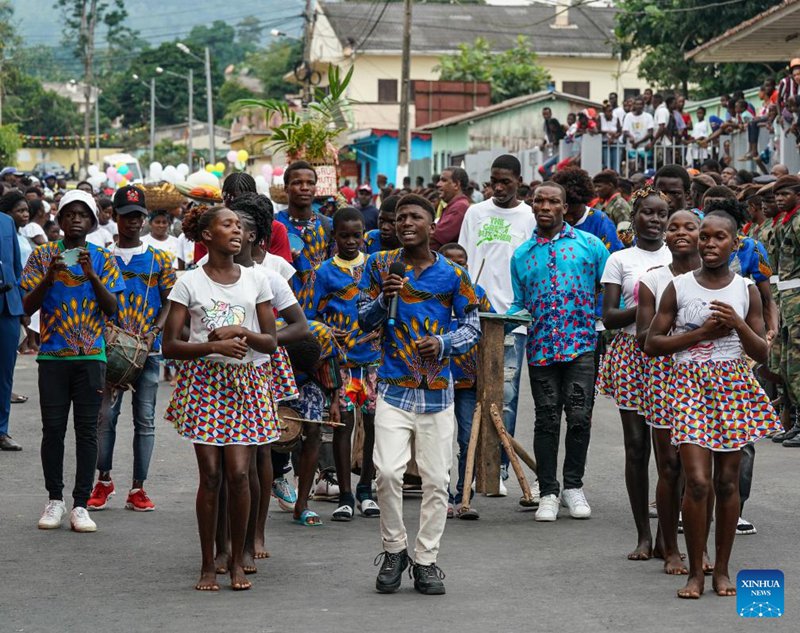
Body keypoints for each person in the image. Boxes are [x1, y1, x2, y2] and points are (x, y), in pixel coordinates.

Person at [645, 210, 781, 599]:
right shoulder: (679, 287)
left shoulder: (745, 289)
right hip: (688, 386)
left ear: (734, 243)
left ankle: (721, 570)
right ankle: (695, 575)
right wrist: (702, 332)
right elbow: (653, 344)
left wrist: (737, 324)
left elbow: (762, 352)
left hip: (732, 386)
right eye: (704, 236)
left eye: (718, 237)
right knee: (699, 482)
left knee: (727, 481)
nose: (708, 243)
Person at [359, 193, 480, 596]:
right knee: (389, 473)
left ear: (433, 225)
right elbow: (362, 318)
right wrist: (384, 298)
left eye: (415, 217)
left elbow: (473, 326)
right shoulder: (380, 265)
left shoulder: (453, 274)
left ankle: (426, 560)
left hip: (438, 394)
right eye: (400, 217)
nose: (406, 223)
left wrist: (444, 344)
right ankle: (395, 550)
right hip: (394, 388)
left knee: (435, 481)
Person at [162, 204, 279, 592]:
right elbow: (171, 345)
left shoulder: (256, 279)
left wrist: (237, 332)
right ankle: (208, 564)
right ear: (207, 236)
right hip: (205, 384)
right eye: (227, 224)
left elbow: (271, 341)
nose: (237, 230)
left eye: (240, 226)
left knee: (239, 474)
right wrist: (211, 347)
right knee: (211, 476)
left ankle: (237, 563)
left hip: (245, 384)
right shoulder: (189, 283)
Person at [21, 190, 125, 533]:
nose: (76, 219)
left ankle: (81, 504)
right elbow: (25, 307)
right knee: (52, 429)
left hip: (91, 356)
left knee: (86, 431)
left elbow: (113, 309)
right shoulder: (42, 255)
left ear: (92, 221)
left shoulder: (103, 258)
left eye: (83, 215)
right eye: (69, 214)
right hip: (52, 356)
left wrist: (92, 274)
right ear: (60, 220)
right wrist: (49, 276)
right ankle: (55, 499)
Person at [508, 182, 609, 522]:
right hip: (541, 348)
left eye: (553, 201)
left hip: (582, 344)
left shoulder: (590, 245)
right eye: (539, 201)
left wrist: (601, 322)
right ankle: (549, 491)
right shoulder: (521, 255)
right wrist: (500, 320)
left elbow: (609, 290)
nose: (545, 207)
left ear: (565, 207)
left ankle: (573, 486)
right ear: (532, 205)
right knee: (547, 418)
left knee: (579, 417)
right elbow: (519, 305)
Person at [87, 186, 175, 513]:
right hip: (109, 352)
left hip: (148, 353)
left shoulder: (159, 260)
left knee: (146, 419)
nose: (133, 222)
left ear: (145, 218)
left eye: (138, 216)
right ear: (115, 217)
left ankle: (139, 488)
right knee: (105, 417)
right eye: (127, 216)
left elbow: (170, 301)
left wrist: (155, 331)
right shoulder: (102, 257)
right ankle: (104, 480)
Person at [596, 187, 671, 559]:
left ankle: (666, 536)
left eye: (662, 214)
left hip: (671, 356)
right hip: (631, 353)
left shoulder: (681, 256)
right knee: (636, 447)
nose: (655, 220)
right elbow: (608, 317)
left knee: (671, 453)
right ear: (635, 216)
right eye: (648, 213)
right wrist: (648, 306)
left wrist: (656, 313)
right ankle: (643, 534)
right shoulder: (620, 259)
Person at [458, 154, 535, 493]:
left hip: (511, 319)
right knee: (471, 394)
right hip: (473, 316)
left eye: (506, 181)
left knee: (505, 395)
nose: (499, 188)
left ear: (519, 180)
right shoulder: (475, 213)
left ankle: (500, 468)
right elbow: (460, 259)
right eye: (494, 181)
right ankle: (471, 468)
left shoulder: (530, 216)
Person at [636, 209, 703, 574]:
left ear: (702, 234)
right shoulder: (653, 279)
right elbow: (646, 337)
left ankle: (700, 549)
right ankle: (670, 548)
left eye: (688, 227)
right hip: (663, 376)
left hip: (707, 377)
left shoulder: (718, 278)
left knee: (701, 471)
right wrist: (691, 332)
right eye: (672, 227)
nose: (679, 232)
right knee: (670, 466)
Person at [305, 207, 381, 521]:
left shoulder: (375, 267)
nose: (351, 241)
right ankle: (346, 495)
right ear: (334, 236)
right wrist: (324, 330)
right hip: (342, 364)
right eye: (344, 236)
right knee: (342, 427)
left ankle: (366, 489)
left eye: (356, 235)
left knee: (374, 426)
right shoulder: (323, 272)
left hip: (373, 361)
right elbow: (309, 315)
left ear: (364, 235)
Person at [438, 242, 493, 520]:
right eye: (451, 261)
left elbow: (493, 325)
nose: (457, 267)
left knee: (466, 436)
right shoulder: (433, 292)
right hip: (437, 378)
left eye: (462, 262)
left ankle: (463, 495)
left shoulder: (477, 293)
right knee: (440, 439)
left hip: (468, 380)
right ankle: (442, 496)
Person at [275, 161, 332, 307]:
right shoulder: (274, 225)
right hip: (283, 310)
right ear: (286, 188)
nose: (304, 188)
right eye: (297, 182)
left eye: (310, 183)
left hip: (321, 310)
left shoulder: (328, 226)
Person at [774, 176, 800, 445]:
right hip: (788, 299)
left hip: (797, 300)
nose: (780, 198)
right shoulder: (789, 221)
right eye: (777, 194)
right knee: (788, 364)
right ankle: (795, 419)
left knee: (797, 364)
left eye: (785, 194)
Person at [222, 172, 292, 262]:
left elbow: (281, 269)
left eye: (243, 200)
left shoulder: (275, 228)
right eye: (230, 198)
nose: (236, 208)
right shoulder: (215, 228)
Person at [0, 201, 24, 451]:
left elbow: (16, 267)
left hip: (7, 306)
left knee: (5, 374)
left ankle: (1, 431)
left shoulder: (7, 222)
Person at [431, 167, 470, 251]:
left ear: (456, 184)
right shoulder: (454, 205)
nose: (438, 184)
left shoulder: (460, 207)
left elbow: (435, 238)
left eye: (443, 180)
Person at [622, 97, 654, 166]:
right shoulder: (628, 116)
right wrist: (630, 136)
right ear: (634, 105)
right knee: (632, 167)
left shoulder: (648, 116)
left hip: (645, 147)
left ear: (643, 105)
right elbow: (625, 131)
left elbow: (650, 133)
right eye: (637, 104)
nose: (639, 106)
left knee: (647, 168)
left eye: (640, 104)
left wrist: (637, 142)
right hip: (631, 147)